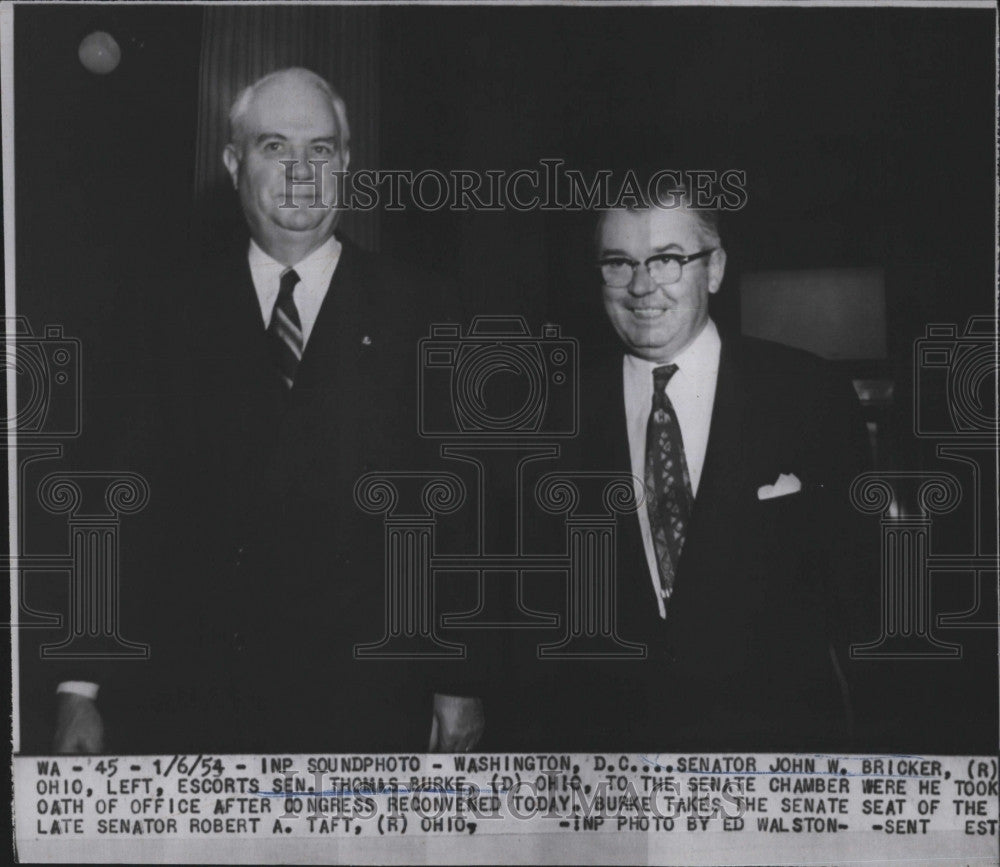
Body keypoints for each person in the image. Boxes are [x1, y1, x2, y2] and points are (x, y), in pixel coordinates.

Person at [48, 67, 484, 755]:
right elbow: (113, 504)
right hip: (200, 699)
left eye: (321, 149)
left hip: (369, 702)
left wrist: (461, 683)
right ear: (232, 162)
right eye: (275, 147)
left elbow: (459, 515)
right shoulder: (164, 313)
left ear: (345, 163)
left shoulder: (423, 309)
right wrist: (81, 686)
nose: (301, 171)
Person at [507, 192, 875, 752]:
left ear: (716, 268)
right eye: (618, 263)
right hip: (610, 768)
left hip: (776, 760)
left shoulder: (810, 397)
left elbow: (864, 608)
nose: (641, 286)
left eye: (667, 259)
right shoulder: (550, 421)